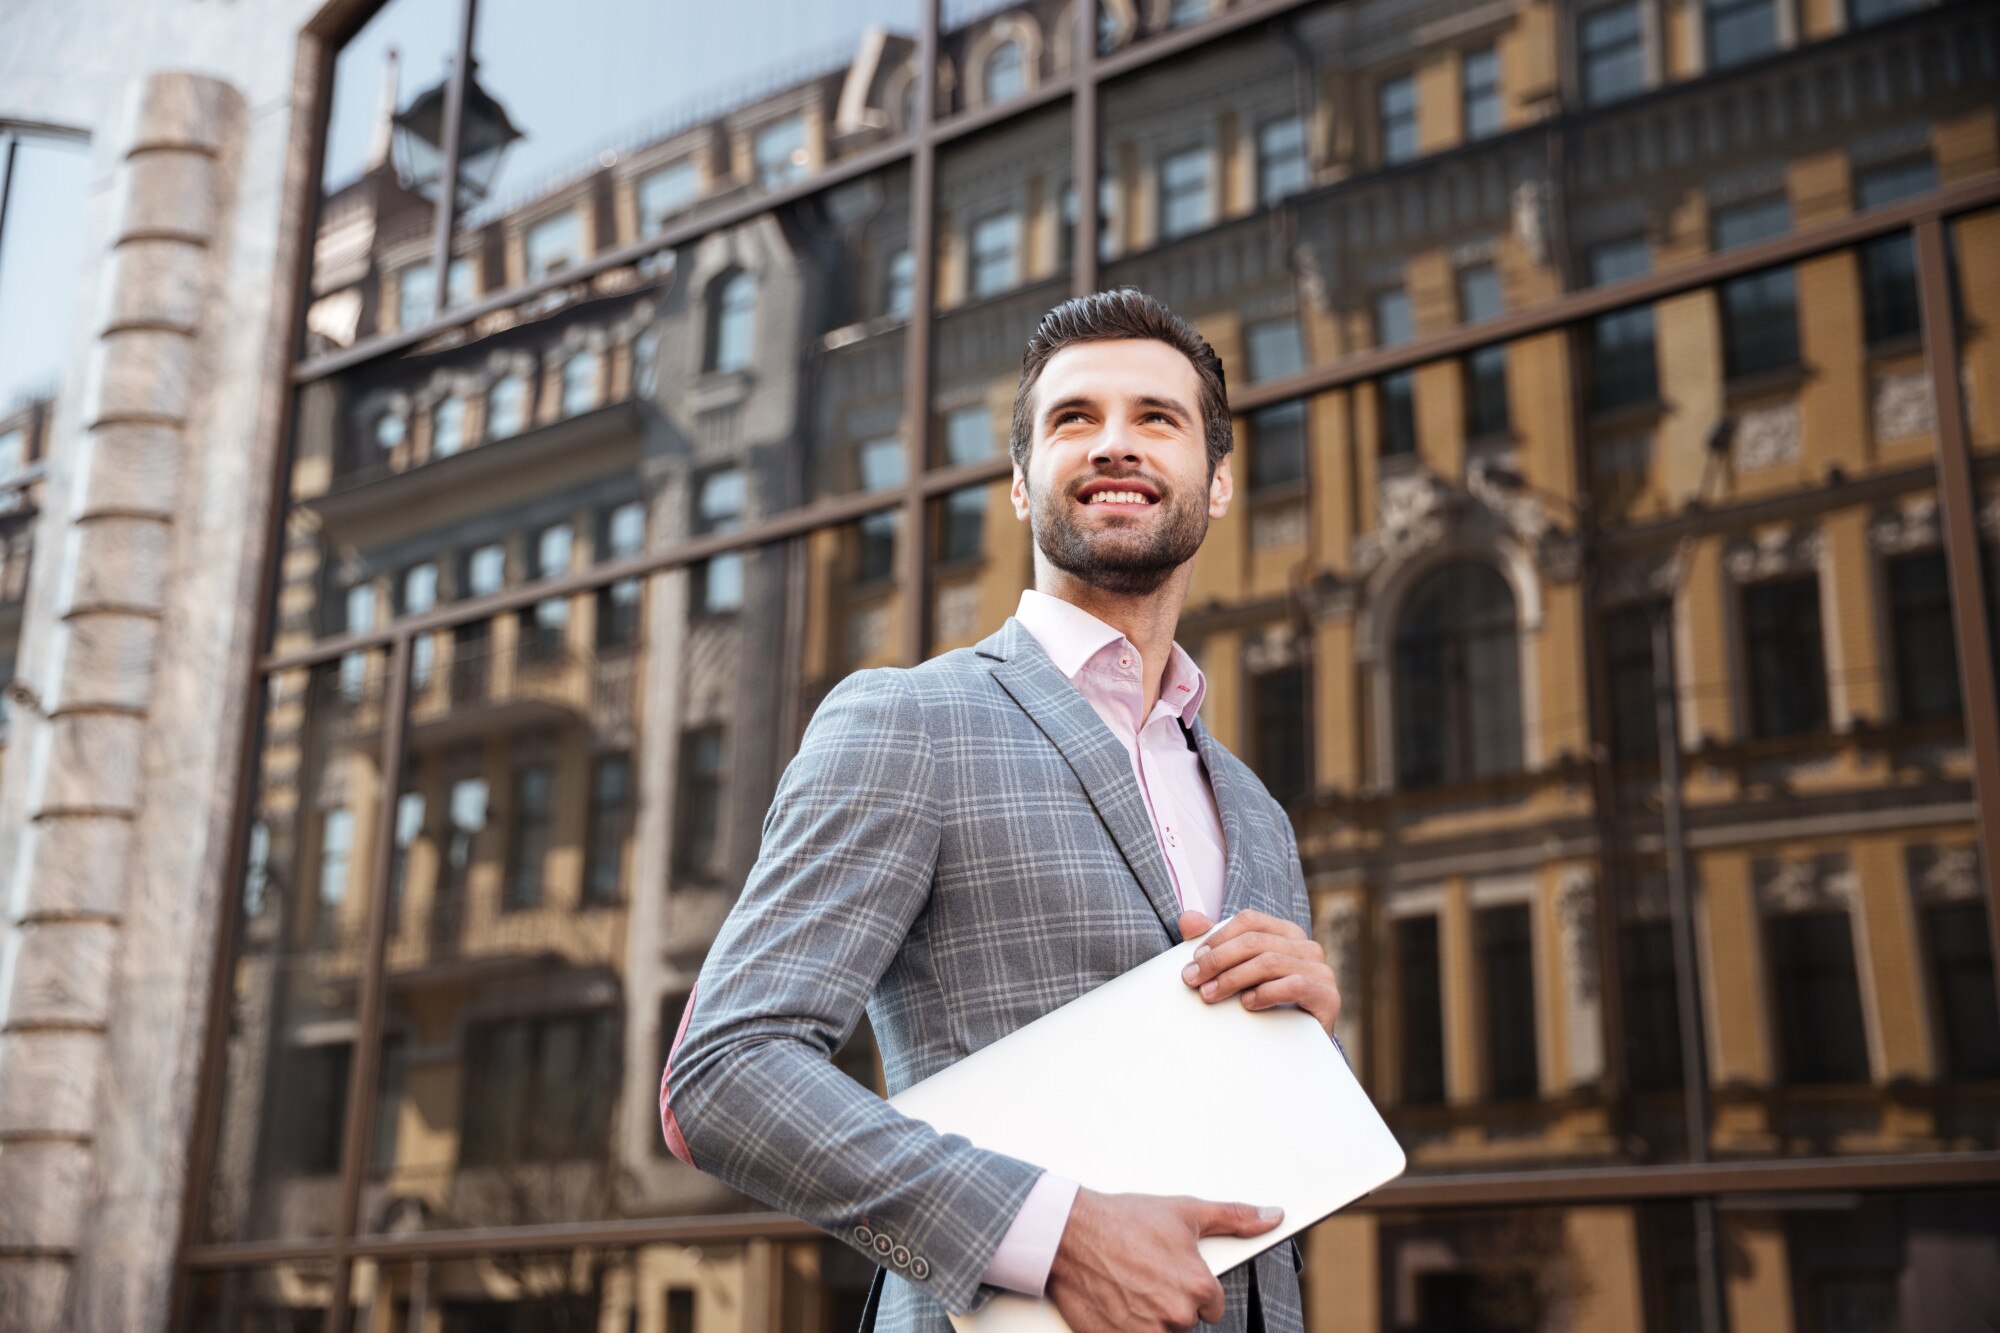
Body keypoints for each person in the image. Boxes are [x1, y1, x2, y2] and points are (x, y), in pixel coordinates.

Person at [661, 289, 1342, 1333]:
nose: (1113, 443)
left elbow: (1269, 1188)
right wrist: (1050, 1234)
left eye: (1154, 418)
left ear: (1218, 484)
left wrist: (1309, 1040)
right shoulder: (907, 720)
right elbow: (719, 1078)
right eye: (1073, 419)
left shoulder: (1254, 808)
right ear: (1021, 487)